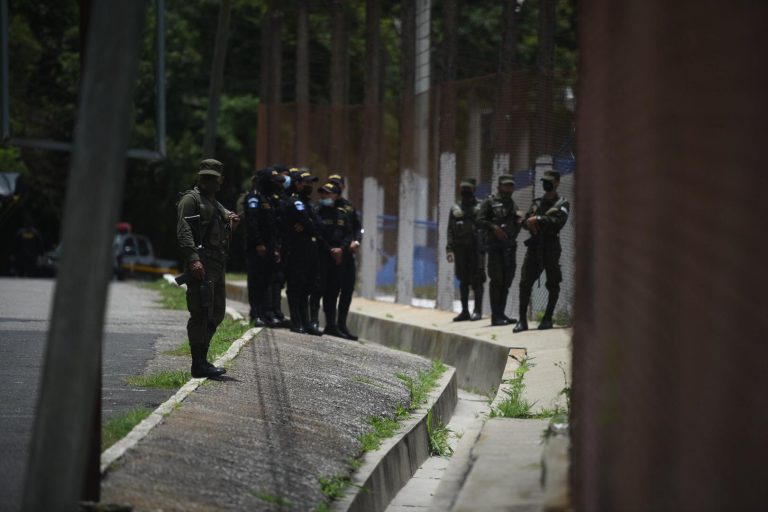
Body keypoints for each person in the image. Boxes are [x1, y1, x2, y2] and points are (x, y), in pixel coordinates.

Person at [177, 159, 240, 378]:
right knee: (201, 313)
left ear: (219, 181)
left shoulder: (215, 203)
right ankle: (199, 363)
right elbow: (184, 231)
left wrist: (231, 223)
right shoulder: (190, 200)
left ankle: (202, 358)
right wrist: (194, 259)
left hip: (217, 265)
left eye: (212, 178)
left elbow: (220, 232)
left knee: (216, 312)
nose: (207, 181)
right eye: (205, 177)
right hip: (201, 264)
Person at [514, 170, 570, 332]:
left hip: (551, 247)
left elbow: (559, 222)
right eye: (544, 181)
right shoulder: (536, 203)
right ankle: (522, 320)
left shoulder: (562, 203)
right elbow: (525, 222)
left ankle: (547, 318)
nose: (546, 184)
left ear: (557, 182)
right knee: (525, 283)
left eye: (550, 181)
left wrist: (538, 219)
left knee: (553, 283)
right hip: (534, 247)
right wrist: (527, 223)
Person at [478, 174, 522, 326]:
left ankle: (501, 313)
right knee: (497, 281)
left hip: (509, 248)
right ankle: (495, 316)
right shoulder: (490, 202)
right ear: (499, 186)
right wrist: (493, 227)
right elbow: (479, 220)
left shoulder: (512, 204)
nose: (508, 188)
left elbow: (518, 222)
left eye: (511, 186)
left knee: (506, 281)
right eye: (506, 185)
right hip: (496, 248)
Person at [310, 181, 353, 338]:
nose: (324, 196)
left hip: (338, 258)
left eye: (327, 193)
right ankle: (313, 321)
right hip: (322, 256)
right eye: (322, 193)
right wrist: (330, 249)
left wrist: (341, 248)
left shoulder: (342, 212)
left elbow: (349, 233)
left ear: (335, 195)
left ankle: (331, 324)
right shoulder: (317, 211)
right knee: (317, 289)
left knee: (333, 291)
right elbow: (316, 232)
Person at [244, 167, 284, 327]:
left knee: (266, 281)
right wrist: (259, 243)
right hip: (257, 248)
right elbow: (253, 224)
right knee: (256, 281)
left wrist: (274, 248)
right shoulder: (253, 198)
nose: (275, 184)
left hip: (269, 247)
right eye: (272, 181)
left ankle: (264, 313)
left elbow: (272, 226)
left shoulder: (268, 199)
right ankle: (256, 314)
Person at [284, 169, 322, 335]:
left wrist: (309, 225)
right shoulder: (294, 201)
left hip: (310, 251)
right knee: (296, 286)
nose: (310, 186)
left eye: (311, 183)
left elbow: (318, 224)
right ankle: (296, 321)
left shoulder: (308, 203)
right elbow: (309, 223)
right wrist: (310, 224)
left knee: (307, 286)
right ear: (298, 183)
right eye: (307, 183)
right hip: (296, 250)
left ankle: (306, 322)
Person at [446, 178, 486, 321]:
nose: (465, 192)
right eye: (463, 189)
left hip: (476, 249)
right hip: (460, 249)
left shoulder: (481, 207)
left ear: (474, 190)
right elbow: (450, 230)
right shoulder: (456, 209)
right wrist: (449, 249)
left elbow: (486, 226)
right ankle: (464, 311)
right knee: (463, 280)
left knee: (477, 279)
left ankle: (477, 311)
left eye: (468, 189)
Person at [328, 174, 361, 340]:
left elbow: (357, 228)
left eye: (337, 184)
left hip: (347, 255)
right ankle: (330, 324)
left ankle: (342, 324)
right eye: (332, 184)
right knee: (332, 290)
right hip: (332, 256)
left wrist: (357, 241)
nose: (335, 186)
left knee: (347, 290)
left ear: (343, 186)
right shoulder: (326, 205)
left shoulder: (348, 207)